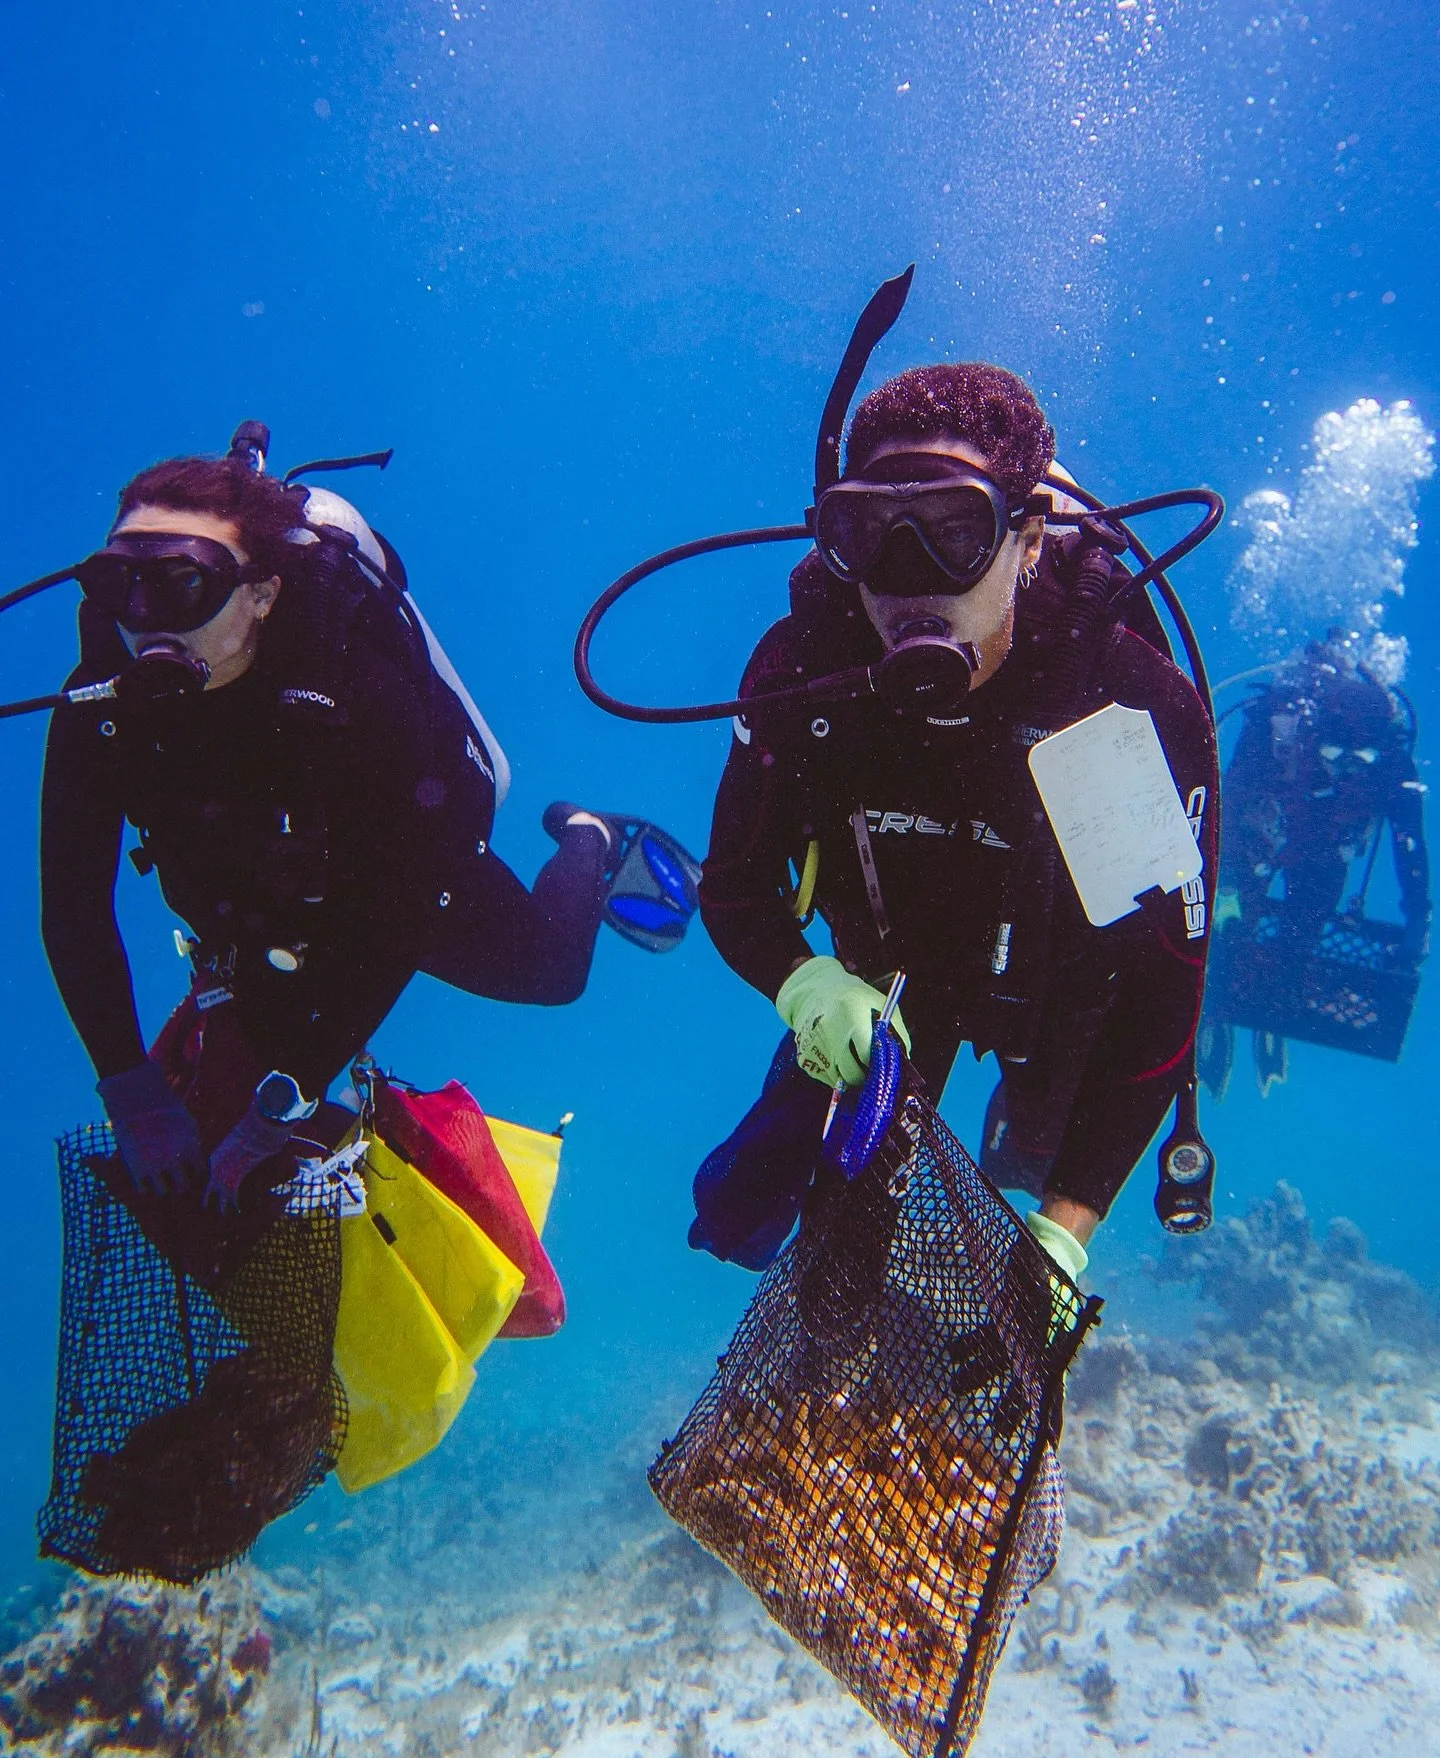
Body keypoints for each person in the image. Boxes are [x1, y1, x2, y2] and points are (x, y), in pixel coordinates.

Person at [35, 439, 699, 1211]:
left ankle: (590, 834)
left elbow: (403, 916)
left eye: (185, 584)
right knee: (251, 1116)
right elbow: (74, 906)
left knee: (551, 974)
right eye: (122, 586)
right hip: (252, 905)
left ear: (262, 594)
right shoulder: (100, 706)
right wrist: (128, 1083)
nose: (147, 621)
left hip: (397, 875)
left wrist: (296, 1086)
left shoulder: (355, 698)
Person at [697, 361, 1217, 1281]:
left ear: (1028, 539)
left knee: (1032, 1163)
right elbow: (736, 885)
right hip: (888, 998)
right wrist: (801, 982)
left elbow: (1158, 994)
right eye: (868, 535)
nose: (909, 586)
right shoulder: (807, 674)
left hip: (1070, 999)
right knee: (799, 1242)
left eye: (953, 532)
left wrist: (1067, 1227)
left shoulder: (1110, 704)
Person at [1201, 631, 1429, 1094]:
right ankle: (1217, 1008)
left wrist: (1418, 922)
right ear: (1315, 733)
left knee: (1303, 930)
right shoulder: (1275, 731)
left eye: (1359, 758)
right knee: (1232, 930)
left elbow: (1410, 847)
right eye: (1334, 754)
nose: (1345, 768)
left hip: (1323, 850)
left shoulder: (1389, 761)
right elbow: (1231, 800)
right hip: (1261, 834)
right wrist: (1222, 888)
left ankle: (1277, 1001)